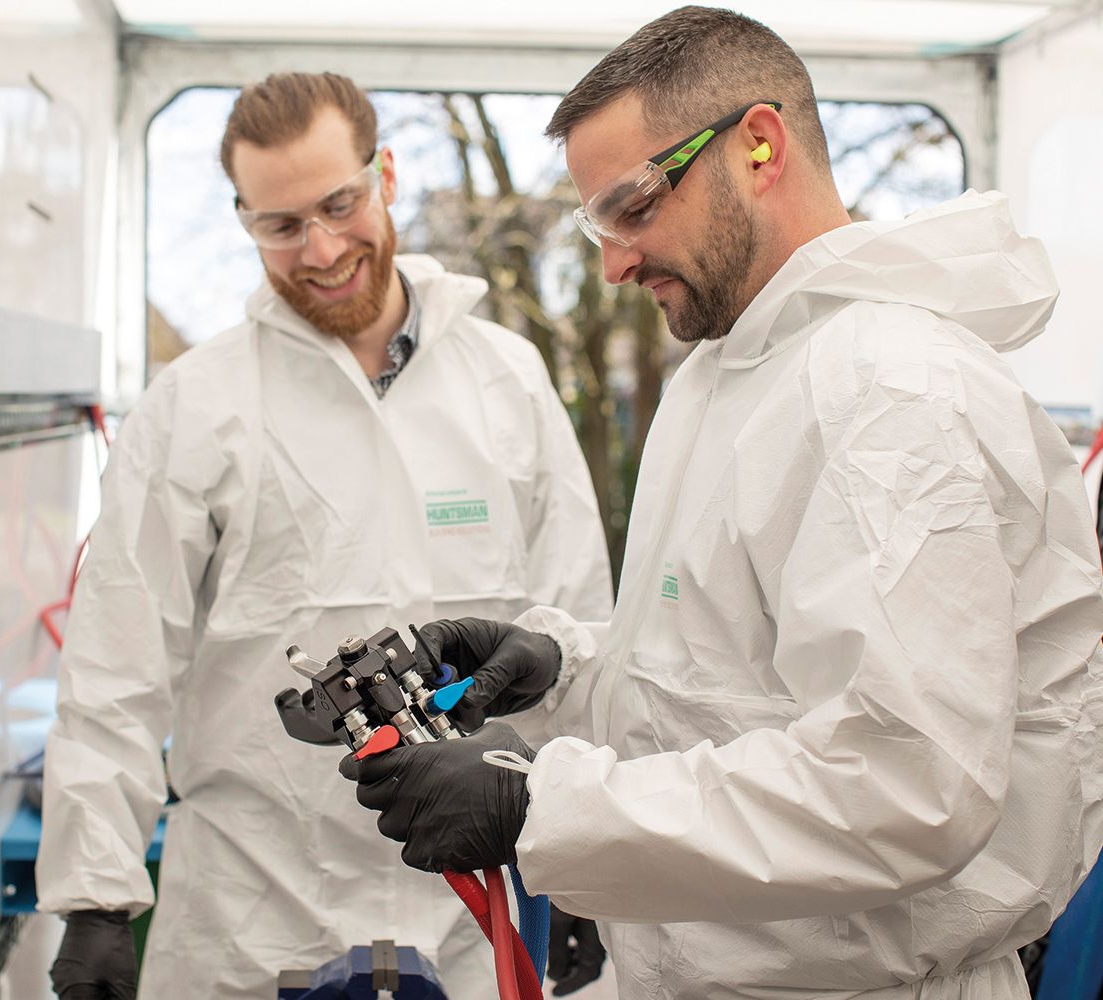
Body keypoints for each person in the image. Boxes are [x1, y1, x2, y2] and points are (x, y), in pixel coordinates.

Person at [342, 8, 1103, 999]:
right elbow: (740, 687)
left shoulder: (886, 390)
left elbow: (903, 783)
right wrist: (560, 669)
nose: (612, 262)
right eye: (595, 225)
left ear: (756, 145)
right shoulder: (732, 373)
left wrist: (540, 810)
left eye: (632, 205)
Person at [34, 71, 613, 1000]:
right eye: (281, 225)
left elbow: (577, 613)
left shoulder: (505, 378)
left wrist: (588, 858)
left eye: (340, 203)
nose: (322, 247)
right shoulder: (199, 405)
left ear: (384, 173)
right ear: (243, 222)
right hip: (255, 911)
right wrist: (95, 900)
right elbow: (116, 663)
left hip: (482, 902)